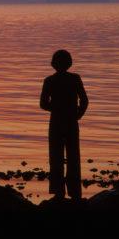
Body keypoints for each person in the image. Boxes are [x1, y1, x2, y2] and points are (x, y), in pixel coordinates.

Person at [40, 49, 88, 200]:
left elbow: (43, 104)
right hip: (70, 121)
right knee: (73, 156)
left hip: (57, 122)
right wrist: (77, 114)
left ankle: (58, 192)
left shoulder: (49, 81)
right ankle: (74, 192)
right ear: (69, 63)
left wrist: (56, 109)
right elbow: (84, 101)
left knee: (56, 157)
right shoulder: (74, 79)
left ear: (53, 64)